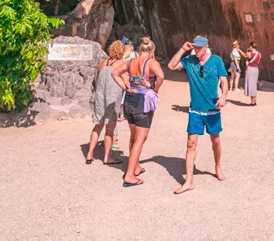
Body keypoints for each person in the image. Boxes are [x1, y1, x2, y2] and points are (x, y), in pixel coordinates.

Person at [167, 36, 229, 194]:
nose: (197, 50)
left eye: (199, 48)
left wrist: (224, 96)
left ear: (206, 46)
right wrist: (183, 49)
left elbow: (224, 80)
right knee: (191, 143)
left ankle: (217, 167)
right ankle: (189, 181)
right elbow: (171, 66)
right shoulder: (189, 60)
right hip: (195, 110)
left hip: (212, 110)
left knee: (215, 140)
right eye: (195, 47)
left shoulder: (216, 60)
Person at [113, 36, 164, 187]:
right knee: (140, 139)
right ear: (152, 50)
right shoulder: (151, 62)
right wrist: (155, 89)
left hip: (129, 98)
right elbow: (161, 76)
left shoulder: (130, 61)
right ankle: (129, 175)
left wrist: (125, 86)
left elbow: (114, 73)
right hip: (142, 100)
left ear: (139, 49)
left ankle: (135, 167)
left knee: (134, 136)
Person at [85, 40, 126, 165]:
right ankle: (107, 157)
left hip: (100, 97)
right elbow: (125, 83)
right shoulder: (121, 64)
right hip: (112, 99)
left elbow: (97, 79)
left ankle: (89, 153)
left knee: (98, 125)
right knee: (110, 128)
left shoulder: (102, 64)